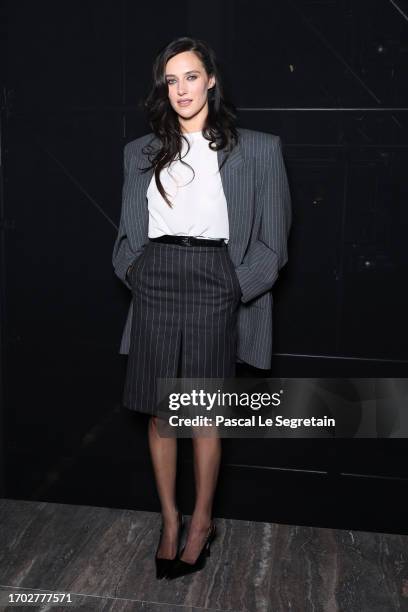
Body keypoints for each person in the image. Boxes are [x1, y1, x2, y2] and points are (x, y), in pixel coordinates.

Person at [112, 36, 292, 580]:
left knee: (204, 414)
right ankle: (169, 521)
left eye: (191, 76)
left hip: (219, 280)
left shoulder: (258, 148)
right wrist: (139, 275)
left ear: (211, 79)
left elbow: (273, 242)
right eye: (171, 80)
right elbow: (126, 238)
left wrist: (235, 287)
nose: (181, 89)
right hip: (158, 280)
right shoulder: (140, 152)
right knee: (162, 413)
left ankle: (202, 523)